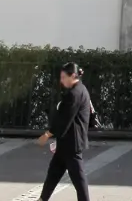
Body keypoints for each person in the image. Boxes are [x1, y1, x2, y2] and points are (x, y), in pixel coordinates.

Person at [36, 62, 93, 201]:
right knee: (53, 173)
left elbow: (64, 119)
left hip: (72, 144)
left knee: (78, 179)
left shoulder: (74, 93)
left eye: (63, 77)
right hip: (66, 142)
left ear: (72, 76)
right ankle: (43, 198)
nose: (61, 80)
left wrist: (47, 134)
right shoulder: (80, 89)